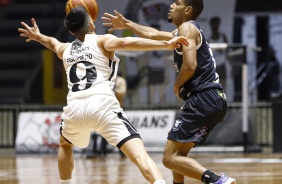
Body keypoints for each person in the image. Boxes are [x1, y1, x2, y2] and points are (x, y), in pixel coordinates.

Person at [18, 6, 188, 184]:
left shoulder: (65, 49)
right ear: (92, 24)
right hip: (102, 105)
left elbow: (52, 42)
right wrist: (165, 44)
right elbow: (127, 43)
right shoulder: (102, 41)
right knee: (139, 154)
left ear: (71, 31)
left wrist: (38, 37)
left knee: (65, 144)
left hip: (74, 109)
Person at [102, 0, 236, 184]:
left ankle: (217, 180)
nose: (172, 5)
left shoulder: (187, 28)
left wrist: (177, 84)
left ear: (188, 10)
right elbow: (154, 34)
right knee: (178, 156)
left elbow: (190, 65)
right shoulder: (183, 31)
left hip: (203, 98)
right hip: (213, 99)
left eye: (178, 3)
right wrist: (127, 24)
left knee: (168, 158)